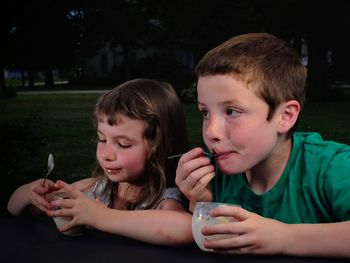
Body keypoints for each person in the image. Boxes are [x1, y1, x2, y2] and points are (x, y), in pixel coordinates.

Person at [175, 33, 350, 257]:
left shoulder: (331, 167)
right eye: (205, 112)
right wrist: (201, 204)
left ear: (285, 116)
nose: (211, 132)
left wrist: (284, 237)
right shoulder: (213, 178)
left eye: (231, 112)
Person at [8, 78, 193, 245]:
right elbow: (13, 207)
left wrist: (100, 217)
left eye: (123, 144)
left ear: (161, 147)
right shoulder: (95, 190)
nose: (107, 154)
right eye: (102, 139)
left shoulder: (164, 199)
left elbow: (185, 228)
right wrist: (30, 193)